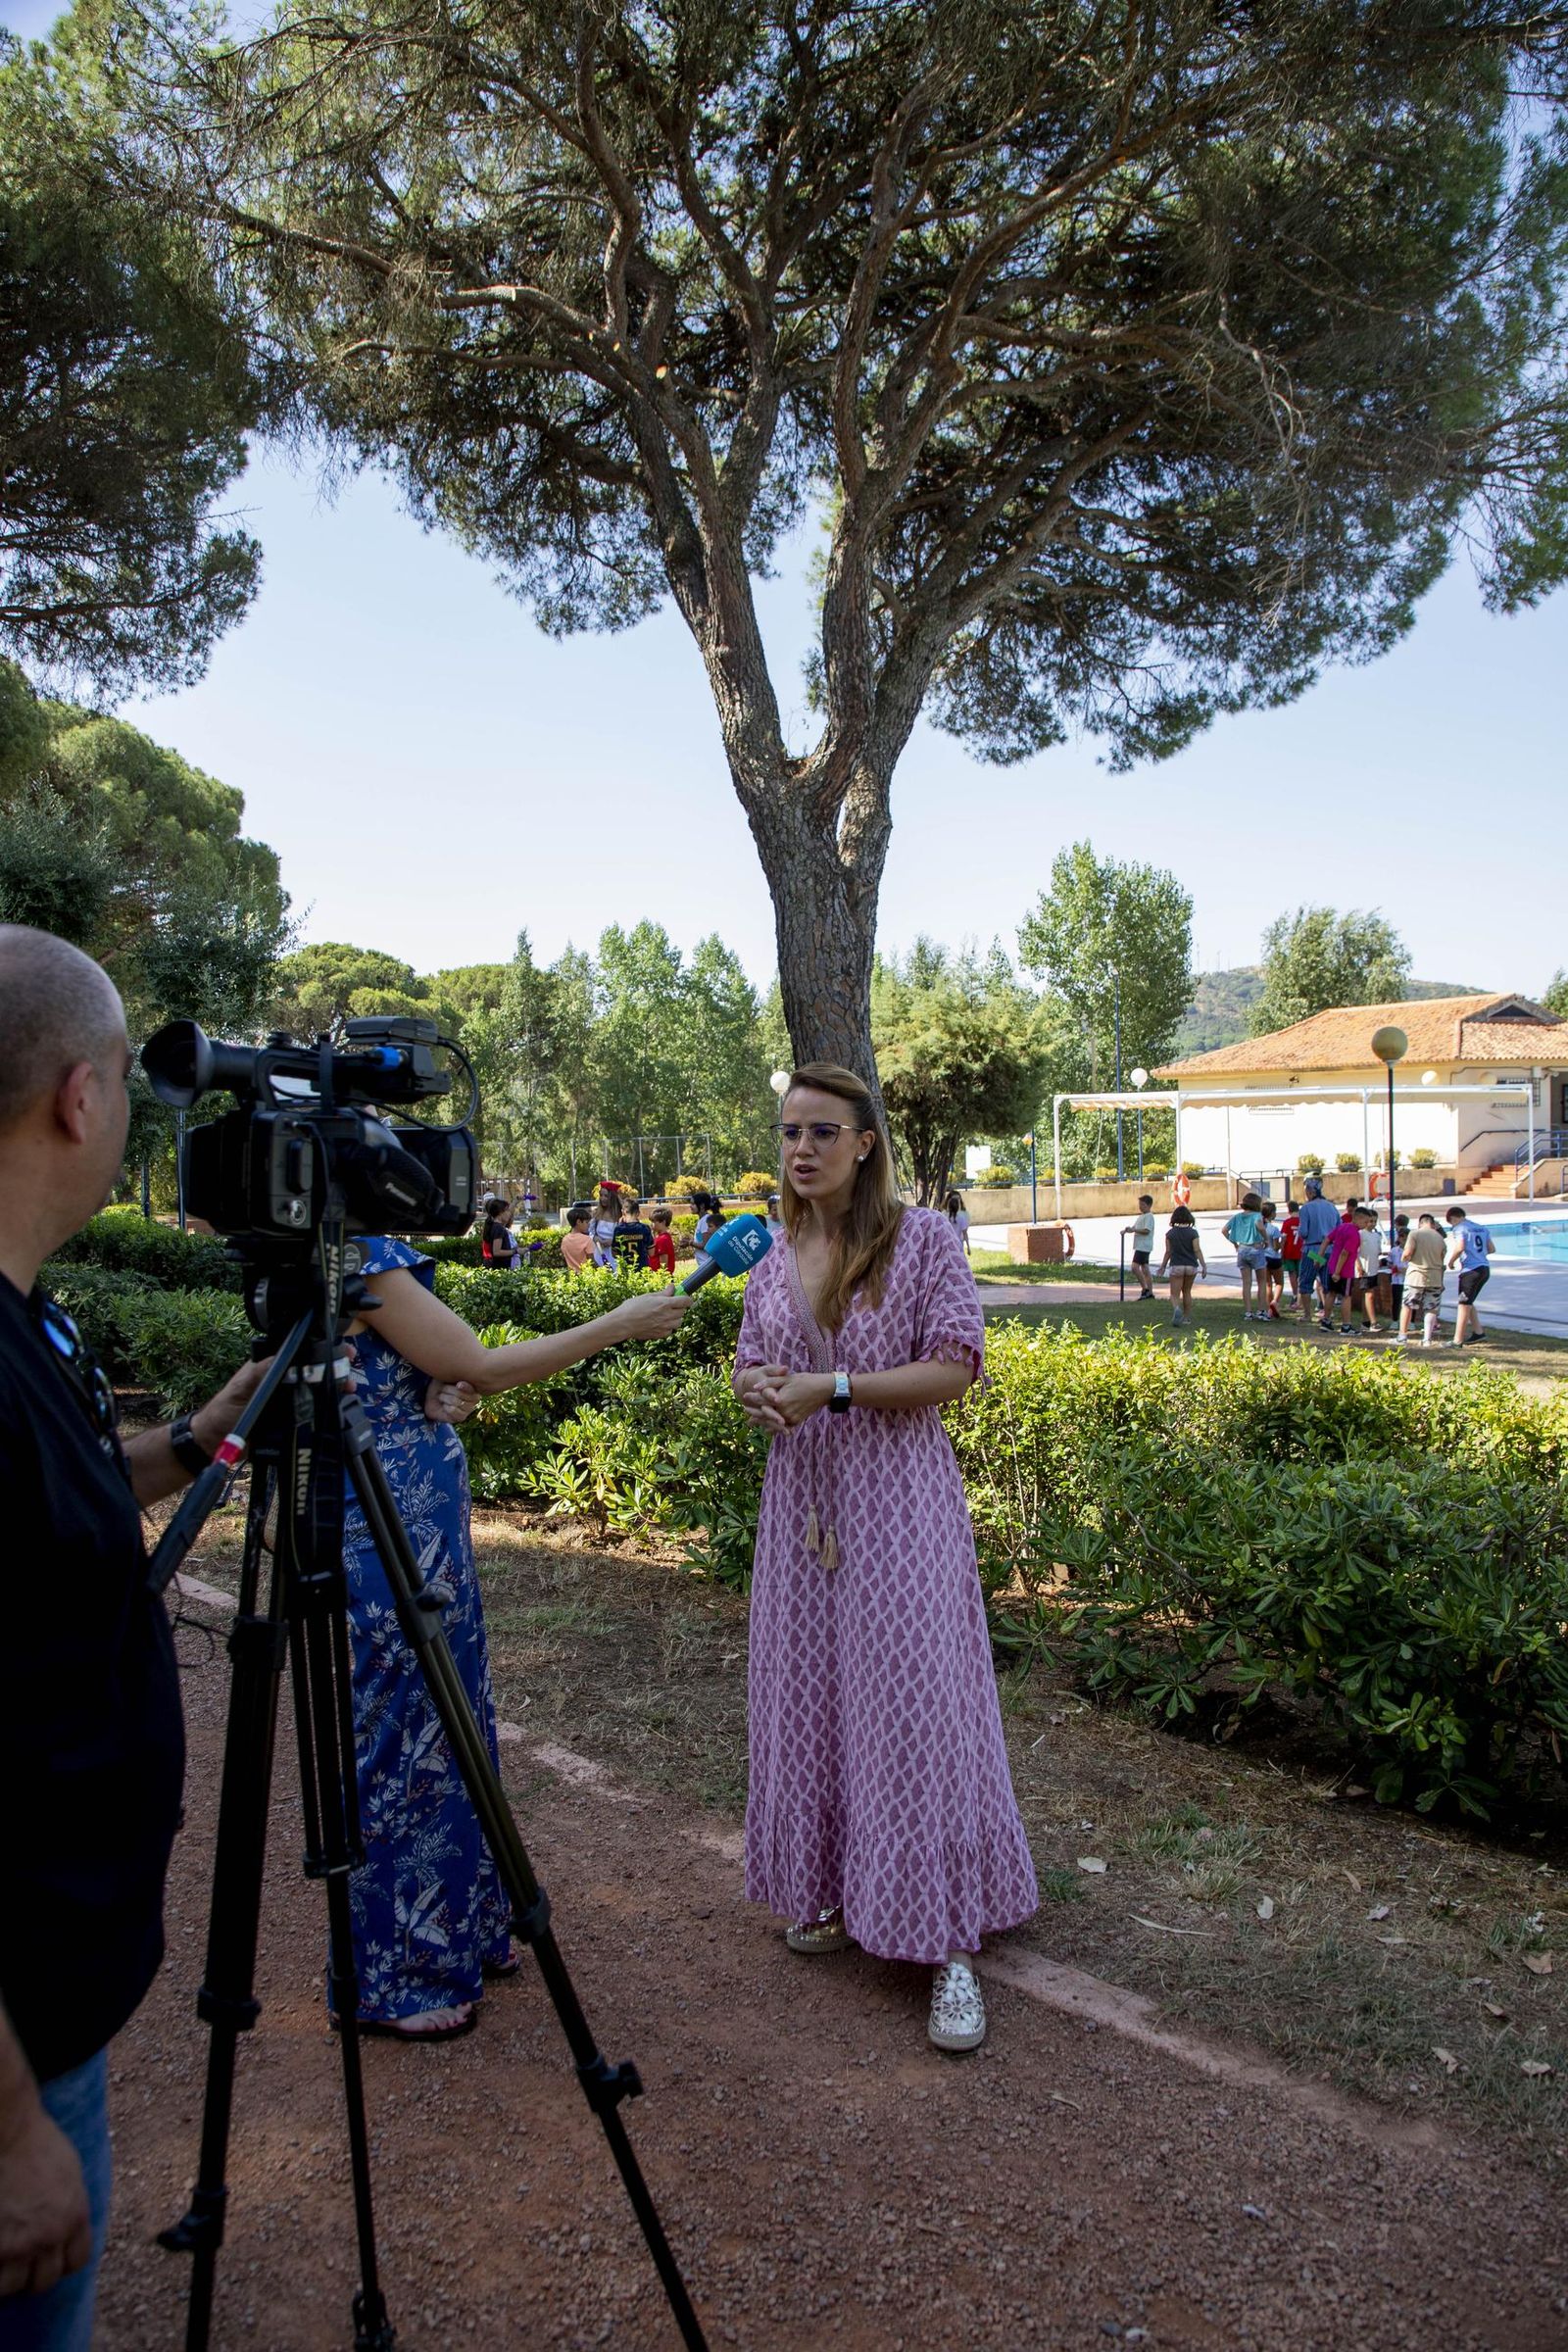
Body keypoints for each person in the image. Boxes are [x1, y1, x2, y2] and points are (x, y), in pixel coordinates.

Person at [0, 926, 281, 2350]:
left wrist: (193, 1435)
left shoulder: (25, 1322)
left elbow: (56, 1503)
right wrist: (8, 2130)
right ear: (81, 1097)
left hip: (55, 2007)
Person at [733, 1063, 1037, 2055]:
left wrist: (834, 1389)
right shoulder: (773, 1255)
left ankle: (947, 1941)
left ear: (865, 1144)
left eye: (822, 1132)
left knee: (911, 1709)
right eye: (789, 1132)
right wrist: (759, 1391)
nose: (801, 1149)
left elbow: (956, 1364)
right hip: (801, 1512)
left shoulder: (924, 1238)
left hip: (898, 1508)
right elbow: (750, 1364)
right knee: (811, 1696)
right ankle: (835, 1890)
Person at [332, 1238, 688, 2038]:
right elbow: (481, 1364)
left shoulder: (360, 1244)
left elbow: (433, 1372)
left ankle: (464, 1928)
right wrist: (619, 1322)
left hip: (415, 1515)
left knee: (451, 1721)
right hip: (380, 1517)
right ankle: (403, 1974)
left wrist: (431, 1390)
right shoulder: (355, 1247)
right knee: (409, 1733)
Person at [1446, 1204, 1495, 1346]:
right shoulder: (1482, 1228)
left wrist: (1451, 1261)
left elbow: (1460, 1247)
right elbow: (1491, 1249)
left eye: (1451, 1223)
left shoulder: (1459, 1228)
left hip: (1470, 1271)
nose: (1452, 1226)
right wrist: (1478, 1254)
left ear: (1453, 1218)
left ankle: (1457, 1340)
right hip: (1484, 1269)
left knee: (1463, 1304)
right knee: (1469, 1301)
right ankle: (1478, 1332)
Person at [1395, 1212, 1446, 1346]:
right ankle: (1427, 1339)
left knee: (1408, 1305)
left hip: (1416, 1276)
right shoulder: (1440, 1238)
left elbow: (1407, 1253)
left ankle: (1402, 1336)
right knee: (1431, 1308)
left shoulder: (1414, 1234)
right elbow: (1442, 1261)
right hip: (1435, 1277)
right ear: (1433, 1224)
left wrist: (1404, 1258)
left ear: (1420, 1223)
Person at [1294, 1176, 1338, 1322]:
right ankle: (1328, 1314)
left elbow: (1303, 1232)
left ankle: (1307, 1314)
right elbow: (1338, 1228)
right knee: (1326, 1283)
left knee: (1306, 1282)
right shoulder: (1331, 1207)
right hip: (1329, 1250)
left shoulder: (1306, 1208)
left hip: (1312, 1251)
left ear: (1310, 1191)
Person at [1156, 1202, 1205, 1326]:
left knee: (1174, 1294)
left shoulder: (1170, 1233)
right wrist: (1203, 1265)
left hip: (1176, 1266)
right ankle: (1187, 1318)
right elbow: (1197, 1250)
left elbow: (1168, 1252)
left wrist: (1163, 1266)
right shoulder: (1193, 1233)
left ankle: (1177, 1309)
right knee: (1187, 1292)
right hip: (1191, 1266)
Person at [1222, 1191, 1269, 1320]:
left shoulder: (1237, 1217)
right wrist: (1266, 1239)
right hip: (1256, 1248)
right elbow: (1260, 1227)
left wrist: (1234, 1243)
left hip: (1242, 1249)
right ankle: (1261, 1310)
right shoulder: (1257, 1216)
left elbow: (1224, 1230)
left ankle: (1248, 1312)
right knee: (1261, 1281)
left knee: (1246, 1283)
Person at [1320, 1202, 1364, 1335]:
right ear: (1358, 1218)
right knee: (1346, 1296)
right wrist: (1338, 1272)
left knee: (1331, 1293)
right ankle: (1346, 1326)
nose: (1366, 1224)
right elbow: (1345, 1253)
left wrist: (1319, 1256)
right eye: (1366, 1221)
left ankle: (1326, 1321)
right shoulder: (1354, 1234)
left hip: (1332, 1265)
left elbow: (1327, 1239)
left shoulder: (1341, 1227)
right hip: (1344, 1271)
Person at [1121, 1194, 1156, 1300]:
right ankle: (1150, 1292)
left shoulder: (1149, 1216)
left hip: (1143, 1246)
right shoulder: (1141, 1216)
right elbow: (1135, 1227)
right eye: (1139, 1205)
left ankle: (1145, 1288)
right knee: (1145, 1268)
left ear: (1149, 1205)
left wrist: (1134, 1230)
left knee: (1134, 1267)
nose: (1140, 1207)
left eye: (1143, 1205)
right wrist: (1128, 1230)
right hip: (1140, 1245)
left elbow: (1146, 1230)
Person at [613, 1194, 654, 1270]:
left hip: (626, 1270)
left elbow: (614, 1254)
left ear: (623, 1212)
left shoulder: (618, 1229)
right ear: (638, 1213)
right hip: (642, 1270)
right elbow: (651, 1253)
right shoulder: (644, 1228)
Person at [1258, 1200, 1284, 1319]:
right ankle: (1275, 1302)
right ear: (1271, 1213)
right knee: (1279, 1283)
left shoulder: (1260, 1227)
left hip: (1263, 1257)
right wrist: (1283, 1242)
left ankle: (1269, 1310)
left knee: (1268, 1284)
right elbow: (1276, 1247)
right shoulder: (1274, 1229)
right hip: (1274, 1258)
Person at [480, 1196, 518, 1271]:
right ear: (500, 1213)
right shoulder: (499, 1228)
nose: (509, 1214)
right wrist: (515, 1251)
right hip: (500, 1269)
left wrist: (515, 1201)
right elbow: (496, 1252)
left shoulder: (495, 1225)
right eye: (507, 1211)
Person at [1278, 1197, 1302, 1306]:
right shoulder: (1302, 1221)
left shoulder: (1287, 1223)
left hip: (1289, 1252)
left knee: (1292, 1274)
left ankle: (1295, 1295)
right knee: (1301, 1274)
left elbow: (1283, 1239)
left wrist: (1281, 1252)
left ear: (1289, 1210)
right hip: (1301, 1252)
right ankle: (1301, 1296)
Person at [561, 1204, 595, 1273]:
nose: (589, 1225)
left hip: (572, 1275)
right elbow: (591, 1262)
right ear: (579, 1222)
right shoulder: (587, 1239)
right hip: (586, 1275)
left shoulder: (565, 1239)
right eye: (586, 1222)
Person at [646, 1204, 678, 1277]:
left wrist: (661, 1276)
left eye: (654, 1221)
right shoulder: (662, 1237)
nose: (651, 1224)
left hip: (661, 1277)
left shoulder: (662, 1239)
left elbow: (664, 1264)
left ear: (663, 1222)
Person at [943, 1189, 972, 1254]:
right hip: (948, 1243)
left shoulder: (964, 1214)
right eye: (955, 1199)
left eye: (959, 1199)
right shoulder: (943, 1214)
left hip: (958, 1242)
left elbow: (965, 1231)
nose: (957, 1201)